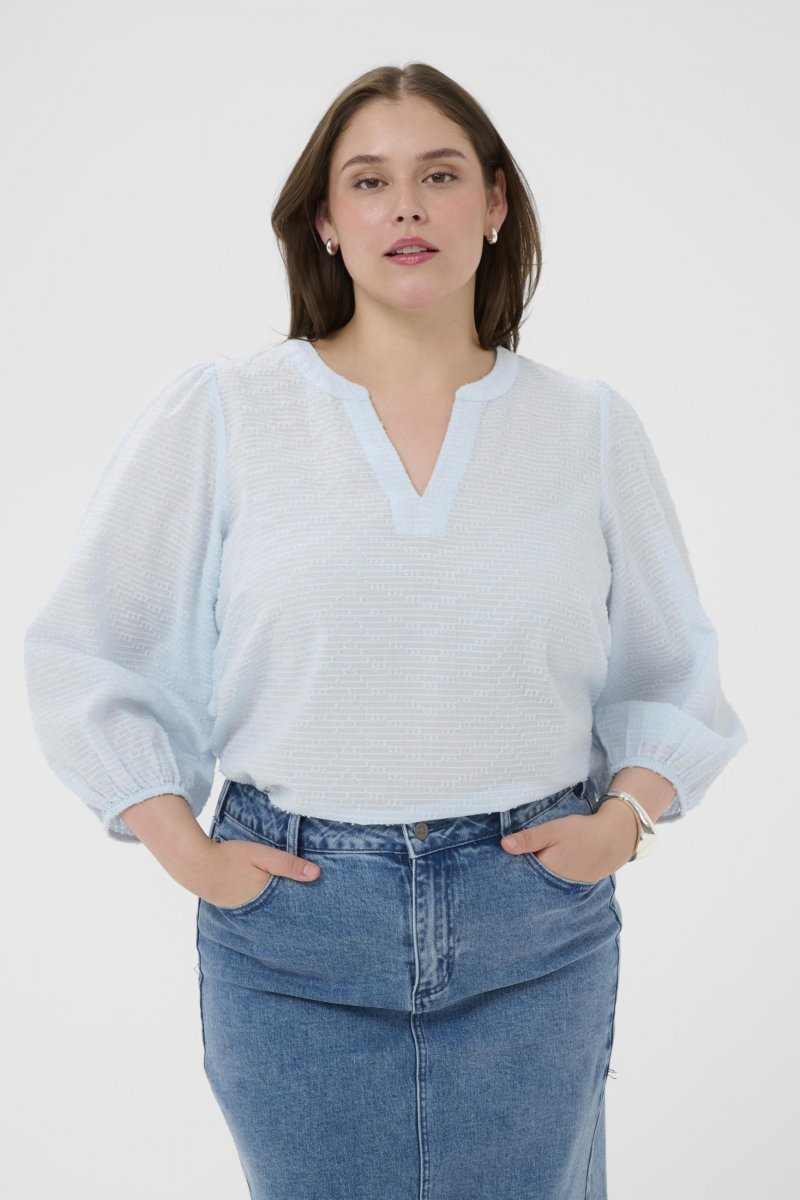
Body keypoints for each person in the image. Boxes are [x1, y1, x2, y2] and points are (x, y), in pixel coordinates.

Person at [23, 62, 748, 1200]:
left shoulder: (587, 427)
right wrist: (187, 852)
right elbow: (90, 650)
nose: (405, 206)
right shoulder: (227, 412)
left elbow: (671, 665)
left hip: (532, 929)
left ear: (494, 202)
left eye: (439, 175)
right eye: (368, 181)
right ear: (325, 220)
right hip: (294, 931)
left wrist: (624, 823)